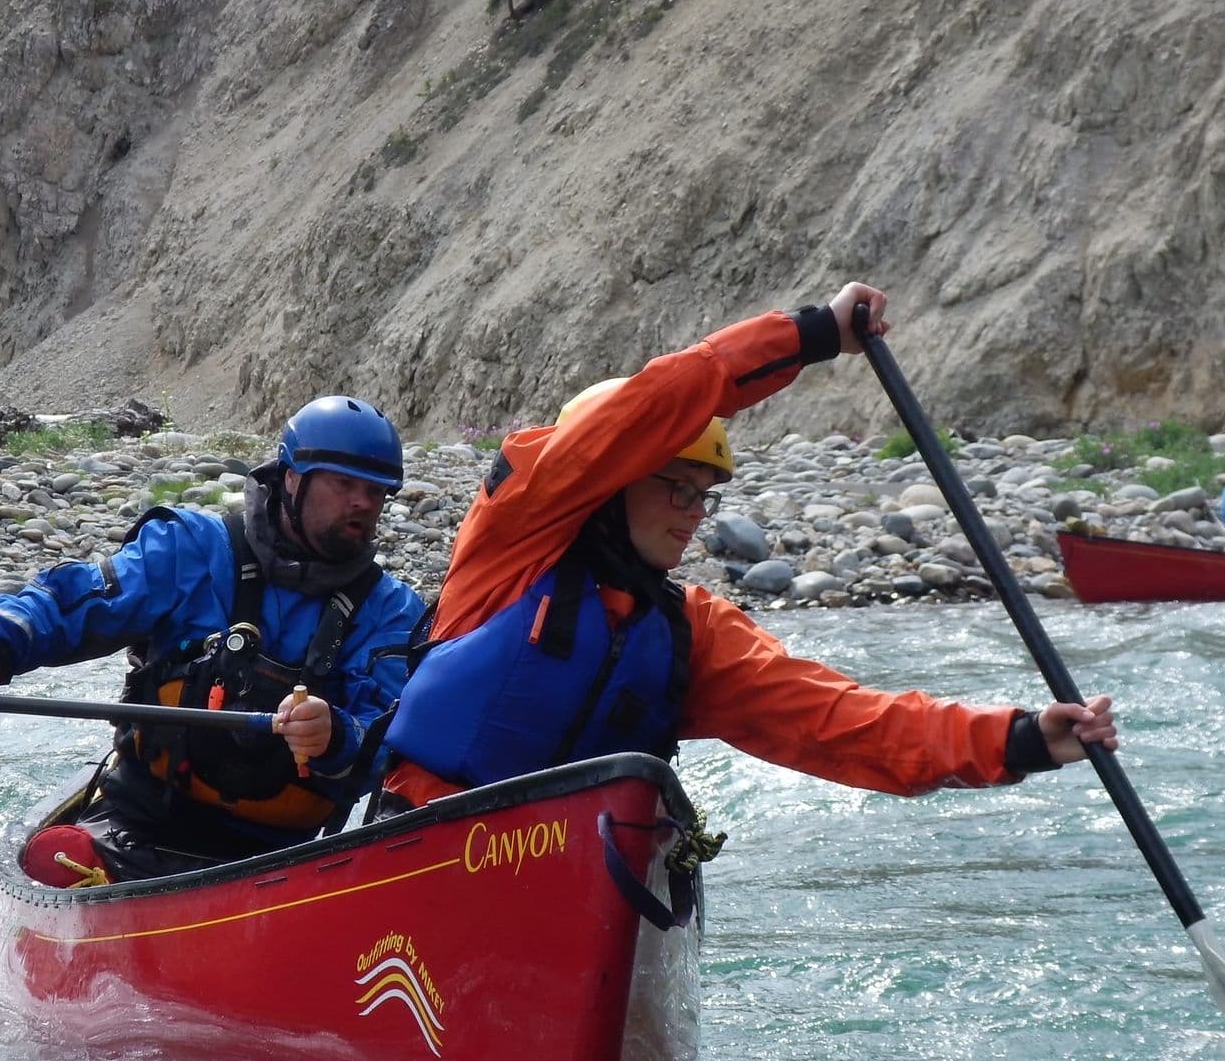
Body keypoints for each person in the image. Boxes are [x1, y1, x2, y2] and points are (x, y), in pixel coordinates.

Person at [379, 283, 1116, 816]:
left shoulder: (687, 633)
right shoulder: (513, 540)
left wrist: (1019, 739)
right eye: (675, 486)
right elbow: (660, 400)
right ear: (609, 481)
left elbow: (844, 722)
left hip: (565, 879)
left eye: (706, 495)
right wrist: (811, 334)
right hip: (429, 843)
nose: (693, 514)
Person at [0, 395, 426, 880]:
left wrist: (336, 735)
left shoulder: (391, 611)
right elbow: (78, 599)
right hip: (136, 829)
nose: (363, 502)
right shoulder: (190, 548)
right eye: (344, 484)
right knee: (50, 860)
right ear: (292, 478)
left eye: (377, 491)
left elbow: (390, 734)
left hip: (281, 864)